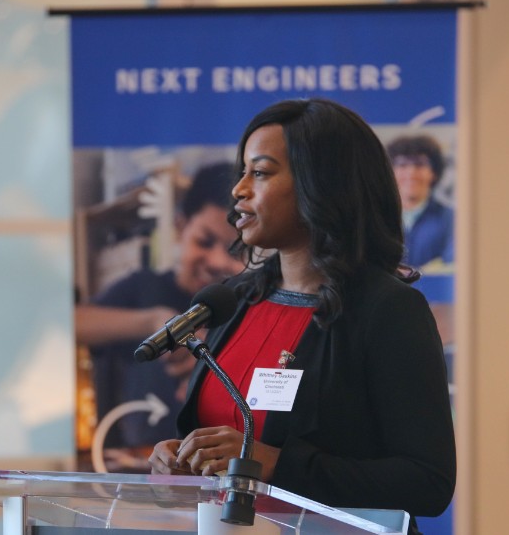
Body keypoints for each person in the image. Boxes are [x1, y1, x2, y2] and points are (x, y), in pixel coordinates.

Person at [148, 99, 455, 533]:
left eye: (260, 172)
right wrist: (177, 463)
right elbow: (222, 444)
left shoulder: (387, 310)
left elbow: (428, 483)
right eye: (242, 172)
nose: (239, 189)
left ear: (321, 184)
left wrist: (274, 463)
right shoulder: (233, 301)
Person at [77, 162, 245, 450]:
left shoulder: (247, 304)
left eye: (234, 250)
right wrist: (154, 322)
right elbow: (76, 322)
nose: (217, 261)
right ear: (181, 227)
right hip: (143, 456)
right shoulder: (144, 288)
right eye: (204, 241)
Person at [387, 134, 454, 269]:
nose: (411, 173)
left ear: (433, 172)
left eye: (419, 164)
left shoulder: (451, 219)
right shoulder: (376, 218)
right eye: (402, 165)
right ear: (390, 171)